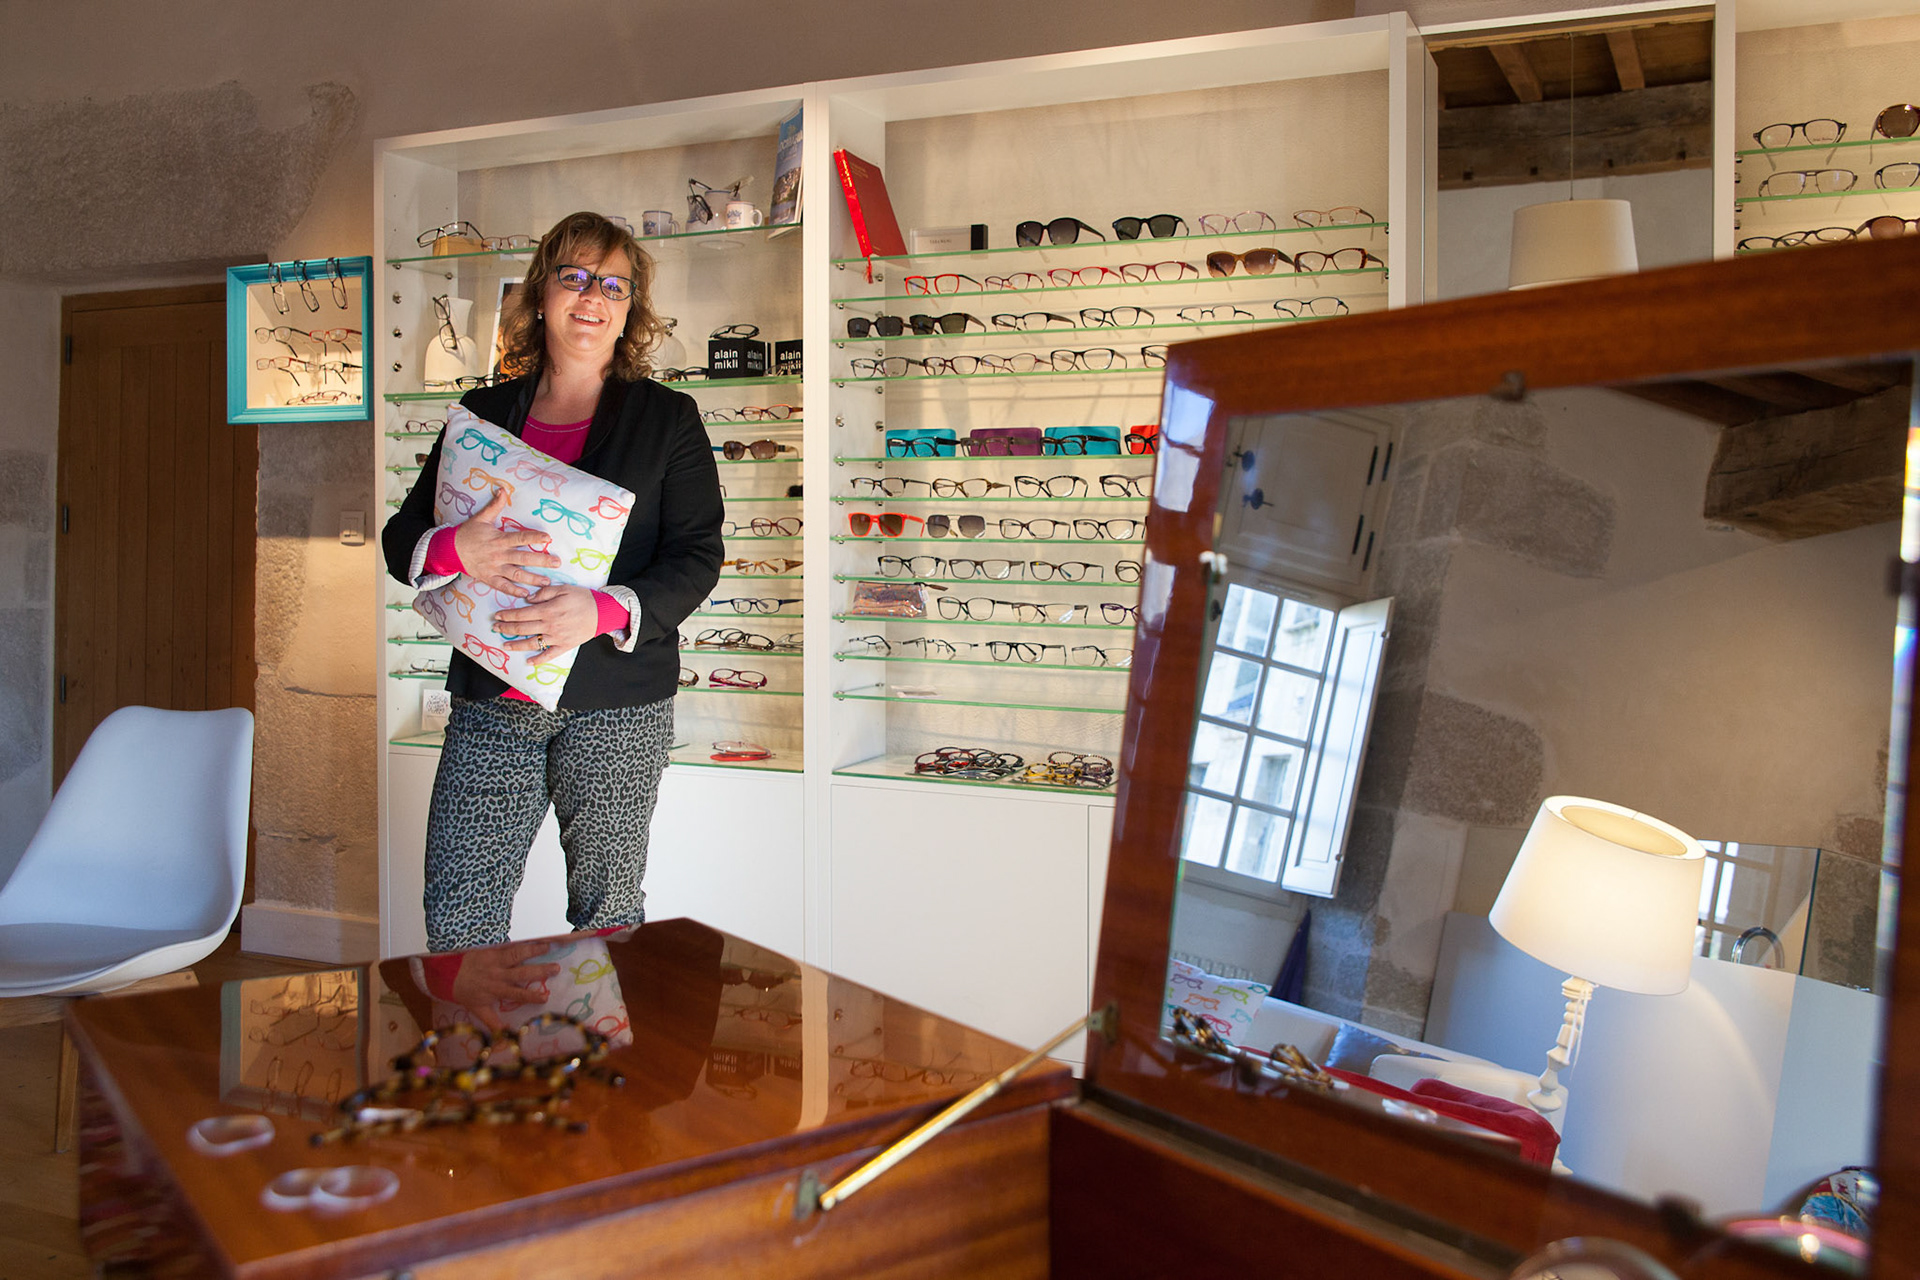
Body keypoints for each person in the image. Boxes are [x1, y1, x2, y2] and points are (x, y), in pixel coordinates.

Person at [381, 210, 724, 952]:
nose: (591, 297)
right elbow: (400, 538)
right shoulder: (480, 414)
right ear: (541, 293)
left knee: (606, 916)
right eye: (573, 277)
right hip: (491, 701)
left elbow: (696, 556)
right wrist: (454, 549)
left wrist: (599, 611)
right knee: (459, 912)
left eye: (613, 284)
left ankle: (605, 1068)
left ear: (630, 306)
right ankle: (478, 1070)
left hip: (616, 705)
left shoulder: (669, 419)